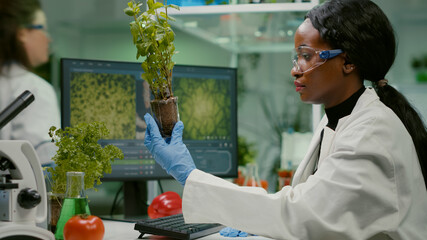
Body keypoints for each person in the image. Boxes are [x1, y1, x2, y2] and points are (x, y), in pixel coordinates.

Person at [143, 0, 427, 239]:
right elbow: (308, 202)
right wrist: (257, 223)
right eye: (296, 57)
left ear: (348, 61)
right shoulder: (340, 120)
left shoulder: (372, 134)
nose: (296, 70)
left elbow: (301, 215)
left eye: (306, 56)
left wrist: (188, 174)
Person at [0, 0, 61, 165]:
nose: (48, 39)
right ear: (22, 34)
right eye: (43, 28)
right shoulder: (36, 89)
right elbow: (45, 169)